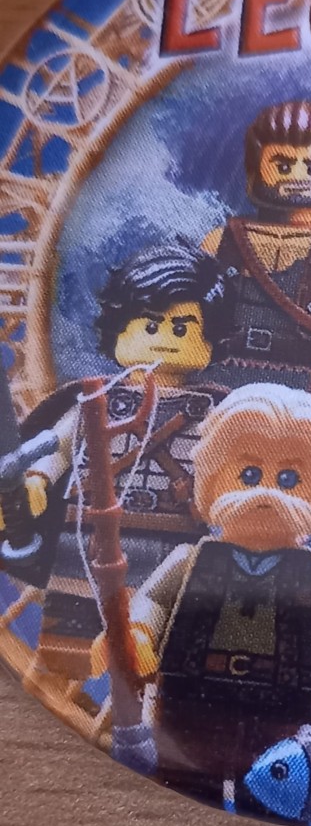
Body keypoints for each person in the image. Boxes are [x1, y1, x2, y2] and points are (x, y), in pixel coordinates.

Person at [125, 384, 311, 812]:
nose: (266, 493)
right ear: (211, 477)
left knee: (273, 800)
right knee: (177, 794)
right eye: (248, 474)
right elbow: (154, 601)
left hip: (285, 711)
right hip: (189, 700)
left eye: (290, 479)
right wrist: (138, 633)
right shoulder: (190, 560)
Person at [6, 240, 230, 679]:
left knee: (160, 624)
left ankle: (152, 673)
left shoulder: (216, 410)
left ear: (210, 338)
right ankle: (70, 667)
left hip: (173, 539)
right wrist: (38, 479)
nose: (163, 339)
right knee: (72, 624)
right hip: (85, 534)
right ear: (118, 328)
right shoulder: (94, 398)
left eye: (181, 329)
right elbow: (58, 444)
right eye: (149, 325)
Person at [201, 99, 311, 387]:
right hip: (217, 375)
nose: (297, 177)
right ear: (255, 170)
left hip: (306, 387)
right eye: (282, 166)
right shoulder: (220, 242)